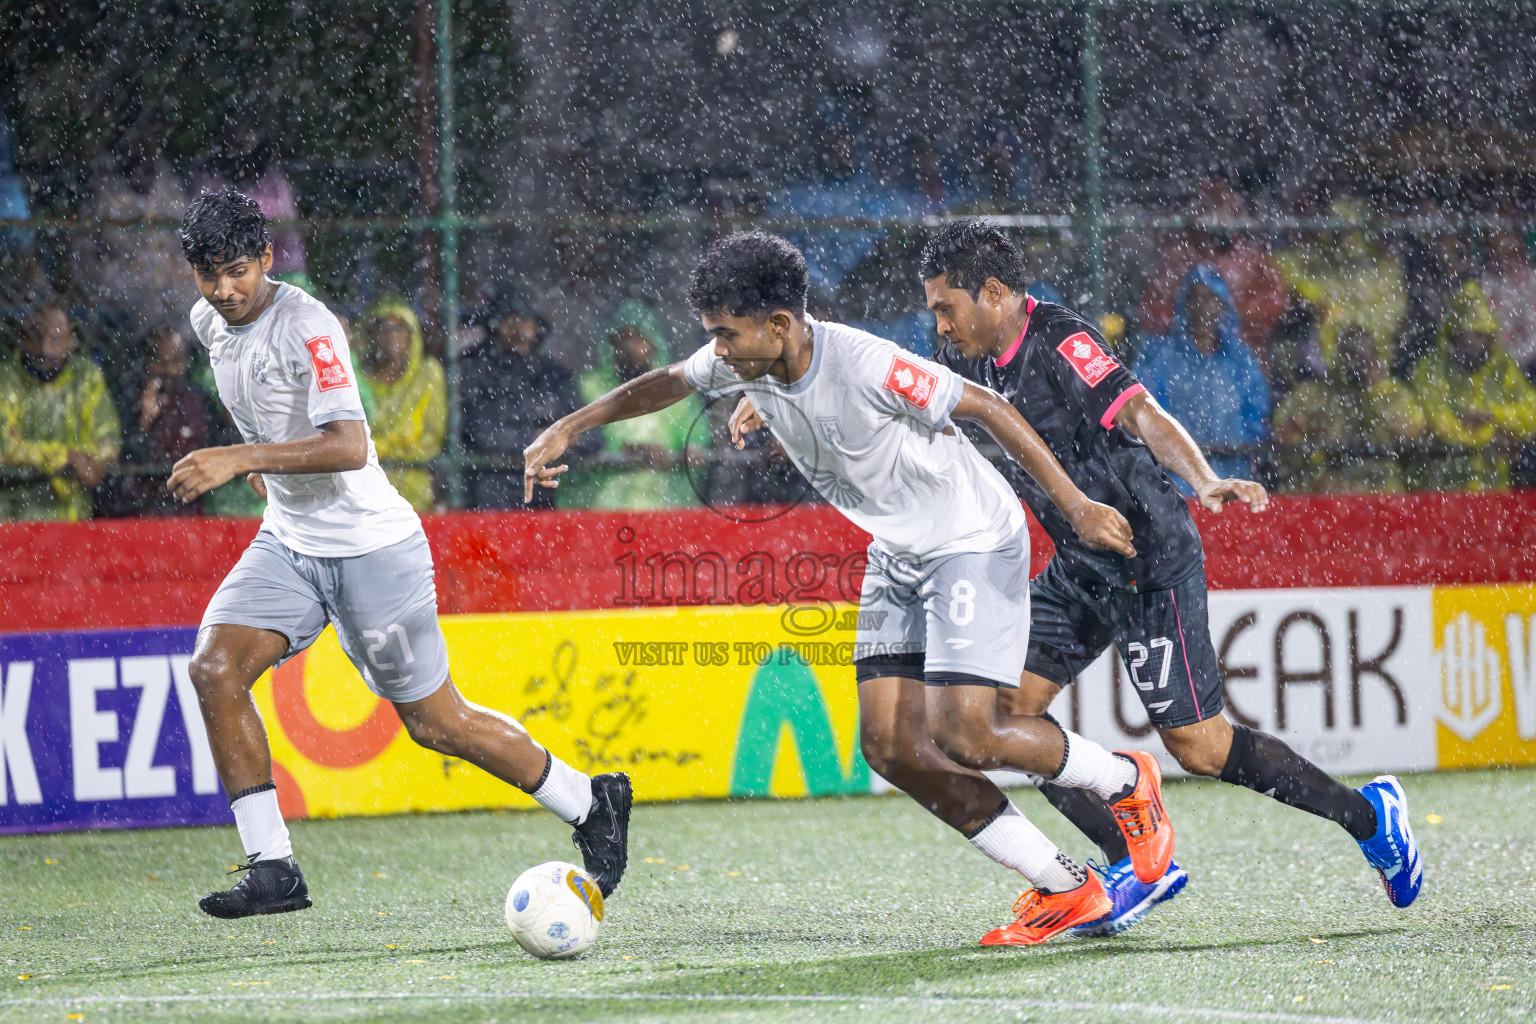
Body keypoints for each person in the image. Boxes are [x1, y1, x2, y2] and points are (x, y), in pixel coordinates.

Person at [526, 231, 1173, 947]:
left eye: (726, 334)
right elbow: (673, 380)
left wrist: (1076, 505)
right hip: (898, 551)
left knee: (969, 732)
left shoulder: (867, 362)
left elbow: (987, 407)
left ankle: (1124, 777)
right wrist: (569, 425)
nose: (717, 349)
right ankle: (1064, 886)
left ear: (778, 325)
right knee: (891, 747)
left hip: (969, 538)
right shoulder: (748, 360)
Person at [920, 219, 1423, 935]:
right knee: (1001, 723)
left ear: (993, 293)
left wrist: (1205, 479)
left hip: (1146, 560)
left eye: (947, 307)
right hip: (1080, 568)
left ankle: (1371, 817)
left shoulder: (1059, 341)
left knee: (1202, 748)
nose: (940, 324)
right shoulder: (984, 360)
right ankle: (1133, 860)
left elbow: (1142, 414)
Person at [169, 188, 630, 919]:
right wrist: (265, 460)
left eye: (237, 271)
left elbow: (350, 444)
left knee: (436, 724)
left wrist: (240, 457)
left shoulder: (310, 326)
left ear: (265, 258)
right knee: (214, 669)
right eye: (206, 274)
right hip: (290, 542)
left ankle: (589, 800)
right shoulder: (209, 321)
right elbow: (265, 401)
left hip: (371, 549)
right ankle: (273, 868)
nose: (223, 290)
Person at [1134, 266, 1271, 485]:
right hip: (1177, 478)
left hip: (1233, 472)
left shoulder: (1238, 358)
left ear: (1222, 305)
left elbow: (1256, 412)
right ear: (1183, 304)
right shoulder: (1160, 356)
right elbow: (1145, 411)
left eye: (1210, 299)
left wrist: (1239, 442)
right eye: (1194, 298)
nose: (1202, 307)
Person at [559, 300, 702, 510]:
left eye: (639, 337)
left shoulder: (678, 389)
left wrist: (684, 453)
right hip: (599, 512)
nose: (631, 346)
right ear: (610, 344)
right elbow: (581, 441)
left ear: (655, 343)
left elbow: (698, 436)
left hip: (665, 511)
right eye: (623, 338)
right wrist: (620, 451)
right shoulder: (588, 386)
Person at [1138, 179, 1287, 374]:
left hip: (1241, 362)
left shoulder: (1248, 259)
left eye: (1222, 210)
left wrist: (1237, 320)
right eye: (1209, 211)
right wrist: (1187, 320)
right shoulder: (1178, 257)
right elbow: (1152, 311)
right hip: (1182, 363)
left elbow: (1275, 301)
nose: (1216, 219)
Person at [459, 295, 587, 510]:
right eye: (512, 320)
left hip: (547, 498)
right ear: (495, 326)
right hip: (489, 495)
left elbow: (590, 432)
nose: (521, 329)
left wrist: (565, 436)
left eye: (528, 321)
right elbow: (480, 433)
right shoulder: (473, 370)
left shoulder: (555, 374)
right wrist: (536, 439)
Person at [1408, 279, 1536, 492]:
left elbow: (1532, 412)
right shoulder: (1431, 369)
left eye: (1484, 336)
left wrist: (1495, 416)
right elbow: (1436, 422)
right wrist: (1488, 436)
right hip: (1444, 489)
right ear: (1455, 336)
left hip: (1494, 492)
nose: (1479, 344)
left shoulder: (1501, 366)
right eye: (1472, 335)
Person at [0, 300, 121, 521]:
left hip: (73, 520)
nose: (46, 348)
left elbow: (109, 442)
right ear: (22, 339)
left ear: (69, 341)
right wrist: (65, 457)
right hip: (14, 519)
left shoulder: (85, 377)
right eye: (38, 337)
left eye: (55, 339)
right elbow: (5, 448)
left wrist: (85, 459)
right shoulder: (6, 379)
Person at [1273, 325, 1425, 493]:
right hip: (1330, 478)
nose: (1357, 362)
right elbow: (1283, 437)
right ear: (1338, 356)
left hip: (1381, 478)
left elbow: (1410, 433)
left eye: (1364, 355)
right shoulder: (1314, 394)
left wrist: (1378, 390)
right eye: (1351, 354)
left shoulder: (1392, 393)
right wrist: (1300, 433)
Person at [100, 325, 212, 517]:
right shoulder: (129, 398)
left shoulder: (198, 400)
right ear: (148, 362)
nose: (168, 369)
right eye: (161, 361)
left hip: (189, 510)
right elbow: (122, 459)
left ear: (186, 362)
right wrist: (144, 420)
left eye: (176, 361)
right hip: (139, 510)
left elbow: (213, 447)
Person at [357, 298, 445, 512]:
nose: (391, 337)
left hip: (413, 487)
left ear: (411, 335)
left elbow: (432, 438)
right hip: (364, 489)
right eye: (383, 329)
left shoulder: (427, 374)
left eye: (399, 329)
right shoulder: (359, 379)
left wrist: (383, 448)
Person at [1481, 232, 1536, 381]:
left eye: (1514, 248)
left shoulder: (1532, 276)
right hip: (1503, 367)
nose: (1511, 254)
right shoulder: (1489, 283)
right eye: (1505, 250)